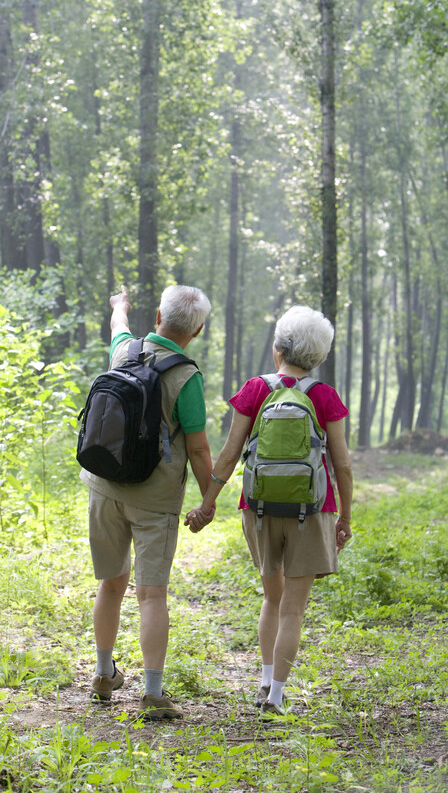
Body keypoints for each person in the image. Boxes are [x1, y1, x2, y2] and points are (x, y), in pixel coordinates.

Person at [185, 305, 353, 718]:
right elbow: (343, 464)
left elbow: (228, 453)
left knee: (271, 598)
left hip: (256, 507)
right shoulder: (324, 396)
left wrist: (207, 504)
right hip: (312, 509)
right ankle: (276, 697)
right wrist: (345, 517)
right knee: (293, 607)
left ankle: (262, 681)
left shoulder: (256, 388)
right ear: (320, 357)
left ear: (278, 348)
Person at [81, 284, 212, 720]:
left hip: (104, 486)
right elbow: (197, 450)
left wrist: (119, 304)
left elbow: (118, 325)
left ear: (158, 315)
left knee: (111, 584)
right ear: (195, 331)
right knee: (151, 594)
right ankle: (152, 694)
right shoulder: (187, 377)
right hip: (154, 500)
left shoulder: (125, 350)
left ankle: (103, 674)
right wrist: (208, 498)